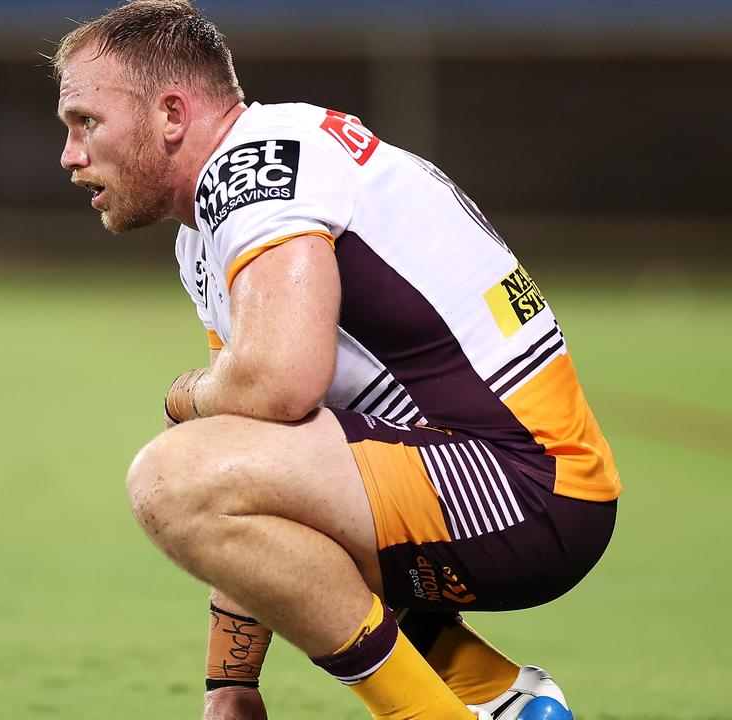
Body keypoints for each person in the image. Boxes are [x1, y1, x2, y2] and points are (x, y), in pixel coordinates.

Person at [51, 2, 620, 719]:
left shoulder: (258, 168)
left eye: (85, 122)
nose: (69, 155)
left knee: (170, 476)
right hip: (502, 483)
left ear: (171, 114)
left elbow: (278, 386)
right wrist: (231, 685)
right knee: (202, 465)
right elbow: (253, 446)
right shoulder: (213, 221)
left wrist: (183, 395)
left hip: (527, 486)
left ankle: (429, 713)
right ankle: (495, 695)